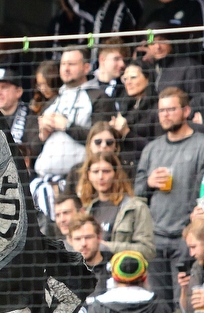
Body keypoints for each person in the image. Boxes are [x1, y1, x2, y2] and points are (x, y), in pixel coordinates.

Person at [135, 89, 204, 308]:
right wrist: (148, 182)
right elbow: (137, 191)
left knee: (185, 304)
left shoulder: (203, 146)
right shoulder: (152, 149)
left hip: (186, 237)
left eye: (171, 109)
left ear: (186, 111)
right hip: (155, 236)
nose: (166, 115)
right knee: (158, 304)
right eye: (162, 110)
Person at [35, 48, 107, 177]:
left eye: (71, 64)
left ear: (86, 68)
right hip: (45, 180)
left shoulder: (99, 97)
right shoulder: (53, 101)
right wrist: (42, 134)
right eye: (63, 64)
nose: (66, 69)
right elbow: (34, 144)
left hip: (81, 178)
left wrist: (67, 125)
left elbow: (102, 139)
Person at [78, 154, 155, 261]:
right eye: (96, 172)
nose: (101, 176)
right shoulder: (88, 210)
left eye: (106, 171)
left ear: (116, 174)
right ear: (88, 175)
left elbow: (148, 250)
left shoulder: (136, 207)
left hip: (123, 274)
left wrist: (108, 247)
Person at [137, 22, 204, 96]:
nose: (157, 47)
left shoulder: (190, 67)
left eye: (161, 40)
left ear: (171, 41)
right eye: (152, 43)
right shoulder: (150, 70)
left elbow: (200, 100)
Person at [110, 63, 160, 171]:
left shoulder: (158, 108)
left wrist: (127, 133)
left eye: (133, 77)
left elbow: (158, 148)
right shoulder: (127, 107)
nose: (128, 82)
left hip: (145, 168)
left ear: (148, 79)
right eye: (125, 79)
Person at [67, 215, 112, 300]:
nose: (83, 243)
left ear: (99, 237)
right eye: (77, 239)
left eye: (88, 237)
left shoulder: (115, 265)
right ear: (70, 240)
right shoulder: (65, 273)